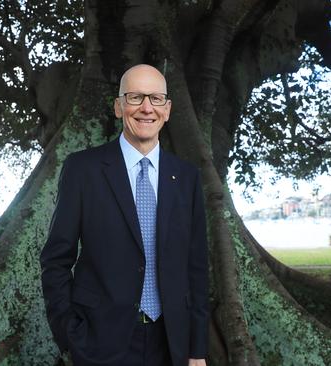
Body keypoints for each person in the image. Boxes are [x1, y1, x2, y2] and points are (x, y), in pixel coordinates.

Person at [40, 64, 209, 366]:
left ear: (167, 109)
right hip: (100, 340)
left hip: (172, 343)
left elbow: (196, 268)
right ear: (118, 107)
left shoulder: (186, 177)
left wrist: (196, 349)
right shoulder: (83, 170)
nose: (146, 108)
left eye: (156, 99)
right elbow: (56, 259)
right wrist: (69, 334)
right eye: (135, 97)